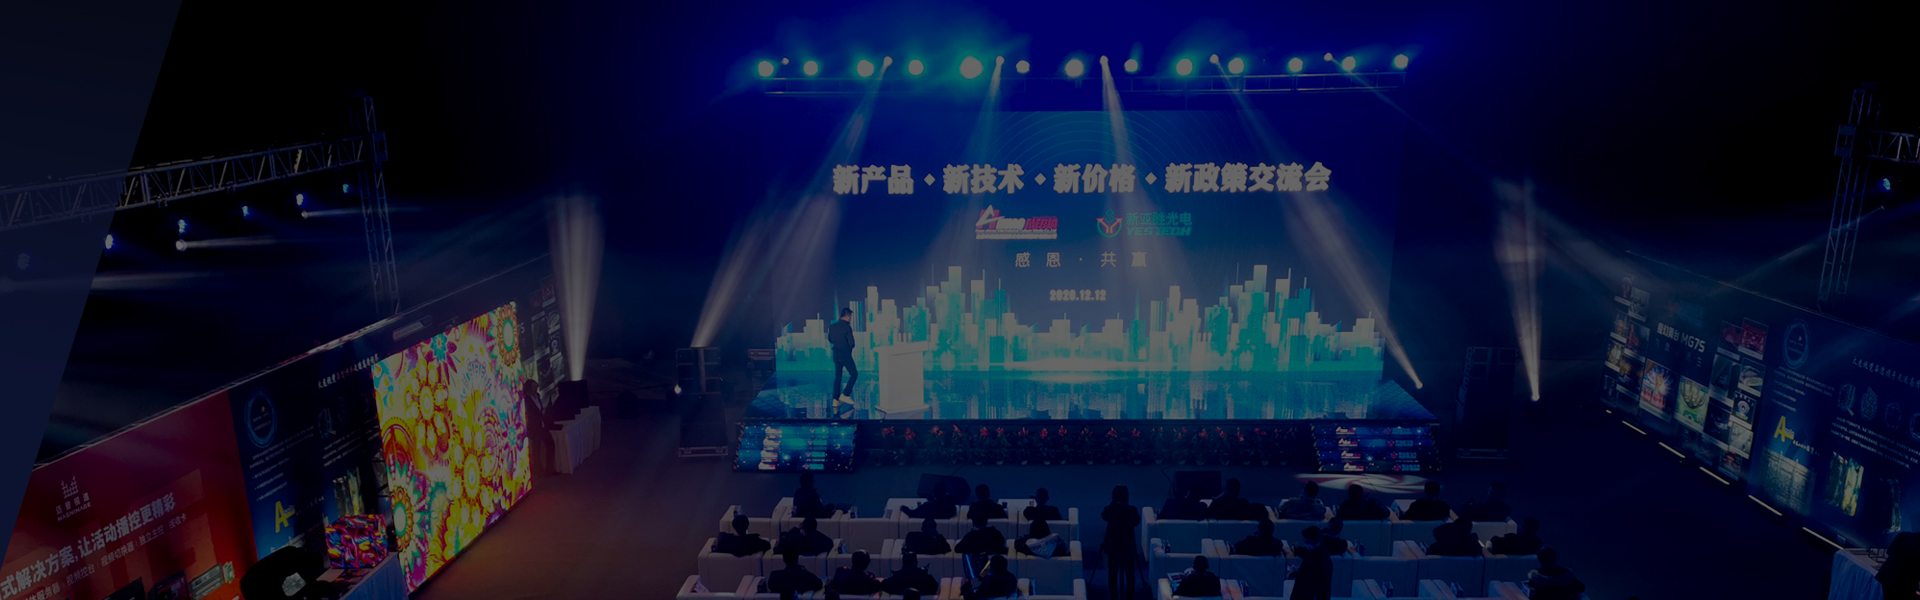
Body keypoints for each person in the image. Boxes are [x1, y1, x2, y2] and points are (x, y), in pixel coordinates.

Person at [1102, 486, 1143, 600]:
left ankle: (1113, 596)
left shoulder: (1110, 509)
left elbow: (1104, 516)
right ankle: (1130, 597)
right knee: (1130, 574)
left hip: (1113, 545)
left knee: (1112, 573)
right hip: (1128, 546)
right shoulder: (1132, 510)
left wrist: (1113, 502)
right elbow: (1136, 521)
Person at [1292, 527, 1335, 600]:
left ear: (1316, 541)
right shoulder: (1312, 551)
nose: (1306, 544)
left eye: (1308, 541)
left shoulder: (1324, 559)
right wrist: (1297, 572)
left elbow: (1321, 583)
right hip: (1303, 592)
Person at [829, 307, 858, 407]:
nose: (850, 319)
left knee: (838, 377)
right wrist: (848, 348)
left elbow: (830, 339)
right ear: (847, 316)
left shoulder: (832, 326)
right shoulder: (847, 327)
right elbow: (851, 343)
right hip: (845, 354)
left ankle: (835, 400)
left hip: (836, 354)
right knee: (854, 374)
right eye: (850, 316)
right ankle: (845, 394)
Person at [1878, 532, 1920, 600]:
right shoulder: (1917, 548)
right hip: (1902, 586)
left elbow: (1888, 551)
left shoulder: (1903, 535)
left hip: (1885, 578)